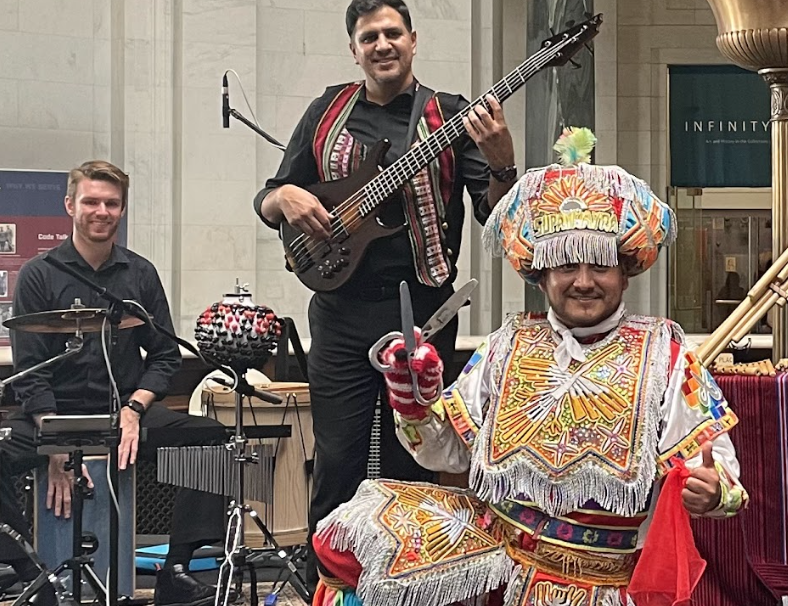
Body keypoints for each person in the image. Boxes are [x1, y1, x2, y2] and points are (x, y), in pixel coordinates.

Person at [312, 129, 747, 606]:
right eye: (566, 266)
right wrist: (415, 398)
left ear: (625, 273)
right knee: (345, 538)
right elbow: (447, 454)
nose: (583, 282)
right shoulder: (508, 343)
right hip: (493, 549)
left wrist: (714, 493)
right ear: (541, 276)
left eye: (600, 266)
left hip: (598, 581)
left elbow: (722, 476)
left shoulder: (665, 353)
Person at [253, 0, 518, 588]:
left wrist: (503, 160)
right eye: (369, 37)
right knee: (339, 461)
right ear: (354, 51)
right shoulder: (327, 112)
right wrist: (284, 197)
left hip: (421, 314)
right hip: (340, 313)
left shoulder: (448, 117)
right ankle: (330, 589)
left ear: (413, 41)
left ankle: (405, 588)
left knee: (412, 459)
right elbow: (268, 199)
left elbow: (498, 218)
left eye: (393, 33)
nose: (382, 45)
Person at [0, 161, 226, 606]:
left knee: (210, 439)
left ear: (122, 209)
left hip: (118, 412)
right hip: (51, 414)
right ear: (70, 206)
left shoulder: (140, 274)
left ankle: (175, 569)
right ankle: (29, 568)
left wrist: (135, 408)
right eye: (91, 202)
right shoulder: (38, 274)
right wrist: (56, 441)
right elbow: (30, 365)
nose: (102, 211)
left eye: (112, 203)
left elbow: (164, 354)